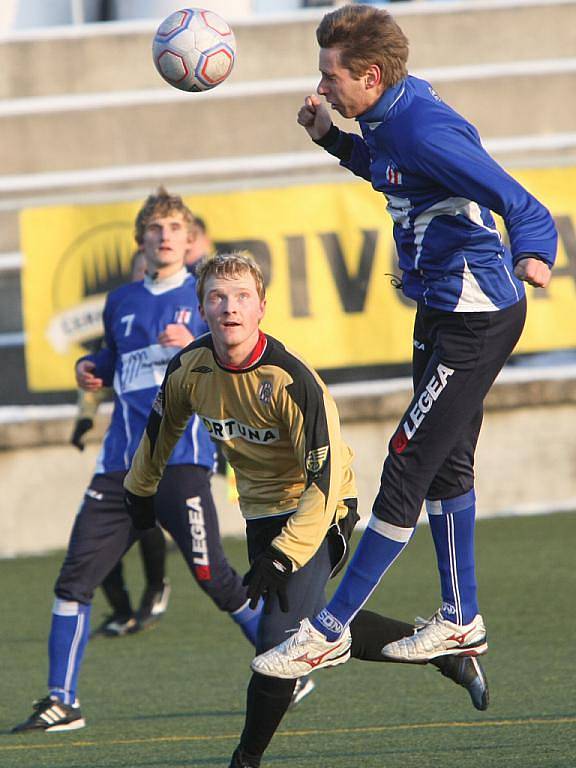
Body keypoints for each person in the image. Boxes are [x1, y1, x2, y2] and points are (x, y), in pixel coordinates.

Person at [251, 4, 557, 682]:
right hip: (444, 310)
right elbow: (390, 173)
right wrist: (332, 139)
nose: (321, 85)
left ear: (369, 75)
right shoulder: (387, 117)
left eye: (330, 76)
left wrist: (535, 252)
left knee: (405, 464)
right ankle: (460, 618)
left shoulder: (422, 128)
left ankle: (327, 633)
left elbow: (520, 202)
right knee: (445, 467)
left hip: (476, 315)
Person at [122, 253, 490, 768]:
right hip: (262, 515)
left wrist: (284, 554)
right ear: (202, 308)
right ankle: (449, 654)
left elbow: (321, 482)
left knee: (281, 645)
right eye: (218, 298)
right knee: (313, 624)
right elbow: (159, 434)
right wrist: (139, 493)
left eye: (242, 298)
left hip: (324, 509)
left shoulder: (292, 381)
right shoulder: (190, 369)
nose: (230, 307)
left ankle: (245, 760)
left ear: (261, 309)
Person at [11, 189, 264, 734]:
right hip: (120, 469)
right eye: (157, 228)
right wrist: (89, 367)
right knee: (73, 581)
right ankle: (61, 700)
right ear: (141, 240)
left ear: (191, 239)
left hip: (181, 462)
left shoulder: (210, 297)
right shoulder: (122, 299)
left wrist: (197, 344)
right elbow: (111, 358)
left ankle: (285, 664)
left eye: (176, 228)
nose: (167, 236)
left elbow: (240, 358)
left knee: (215, 578)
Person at [70, 248, 171, 638]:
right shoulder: (123, 315)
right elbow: (99, 367)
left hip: (174, 444)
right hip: (126, 445)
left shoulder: (185, 314)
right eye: (141, 270)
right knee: (105, 531)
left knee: (149, 523)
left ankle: (156, 589)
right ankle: (123, 609)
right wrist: (84, 416)